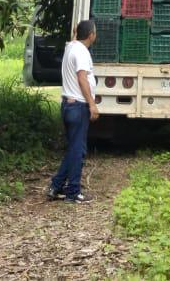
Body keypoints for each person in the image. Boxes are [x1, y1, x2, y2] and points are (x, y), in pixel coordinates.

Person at [46, 19, 99, 203]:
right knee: (78, 151)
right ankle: (73, 192)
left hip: (68, 105)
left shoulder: (71, 47)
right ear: (91, 35)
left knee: (74, 149)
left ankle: (56, 186)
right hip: (78, 106)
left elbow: (75, 37)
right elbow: (82, 79)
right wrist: (92, 104)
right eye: (95, 31)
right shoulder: (82, 52)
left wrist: (77, 29)